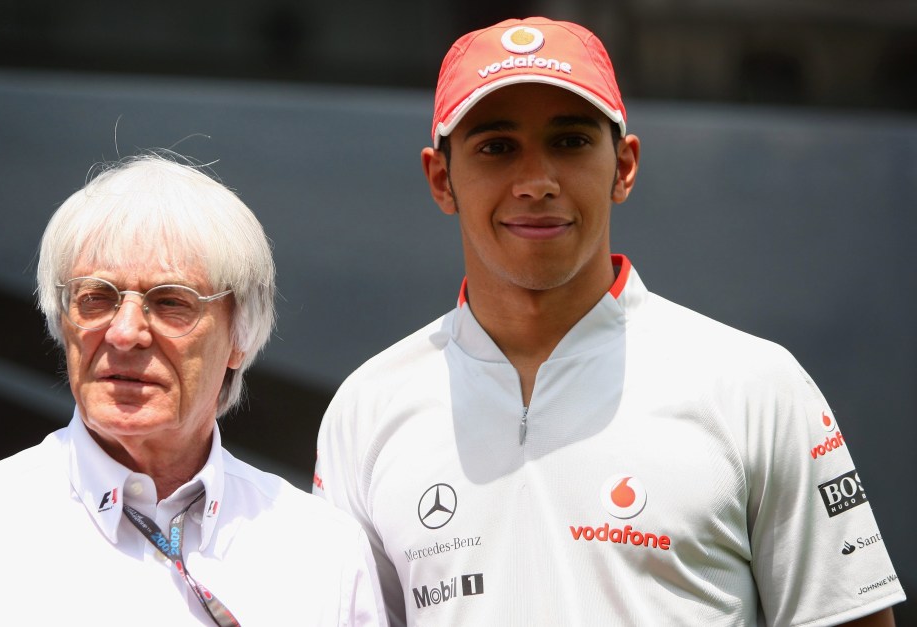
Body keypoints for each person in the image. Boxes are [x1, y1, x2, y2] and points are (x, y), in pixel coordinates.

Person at [312, 17, 906, 627]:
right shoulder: (367, 408)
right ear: (442, 179)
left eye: (569, 141)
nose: (537, 183)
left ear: (623, 166)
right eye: (497, 146)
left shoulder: (756, 386)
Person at [0, 154, 387, 626]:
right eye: (96, 298)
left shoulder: (321, 552)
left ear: (239, 338)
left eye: (171, 303)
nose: (124, 333)